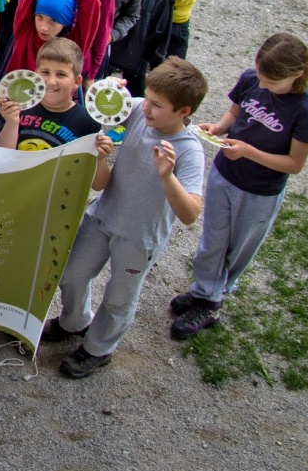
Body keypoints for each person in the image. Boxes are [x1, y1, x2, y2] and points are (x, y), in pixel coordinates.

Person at [43, 59, 207, 378]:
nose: (146, 107)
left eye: (157, 105)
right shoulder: (139, 110)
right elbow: (98, 108)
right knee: (71, 274)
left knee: (119, 298)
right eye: (146, 97)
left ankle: (98, 348)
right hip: (103, 217)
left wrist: (167, 176)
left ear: (183, 111)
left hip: (139, 238)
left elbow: (190, 213)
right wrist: (106, 88)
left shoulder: (189, 151)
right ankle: (75, 322)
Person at [171, 34, 308, 339]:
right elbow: (235, 112)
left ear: (297, 75)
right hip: (225, 174)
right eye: (261, 78)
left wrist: (249, 152)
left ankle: (212, 300)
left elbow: (294, 163)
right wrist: (219, 128)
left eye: (271, 83)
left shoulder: (306, 111)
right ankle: (205, 291)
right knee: (214, 238)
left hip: (260, 191)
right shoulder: (252, 79)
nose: (263, 86)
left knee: (238, 247)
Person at [0, 38, 98, 150]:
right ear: (35, 74)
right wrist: (11, 123)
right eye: (45, 72)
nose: (51, 81)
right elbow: (0, 155)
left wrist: (100, 156)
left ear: (76, 81)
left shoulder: (87, 121)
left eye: (61, 74)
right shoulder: (18, 106)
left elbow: (92, 166)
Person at [4, 0, 105, 81]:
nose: (44, 27)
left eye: (53, 21)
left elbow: (92, 1)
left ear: (65, 22)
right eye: (39, 17)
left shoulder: (73, 45)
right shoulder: (25, 31)